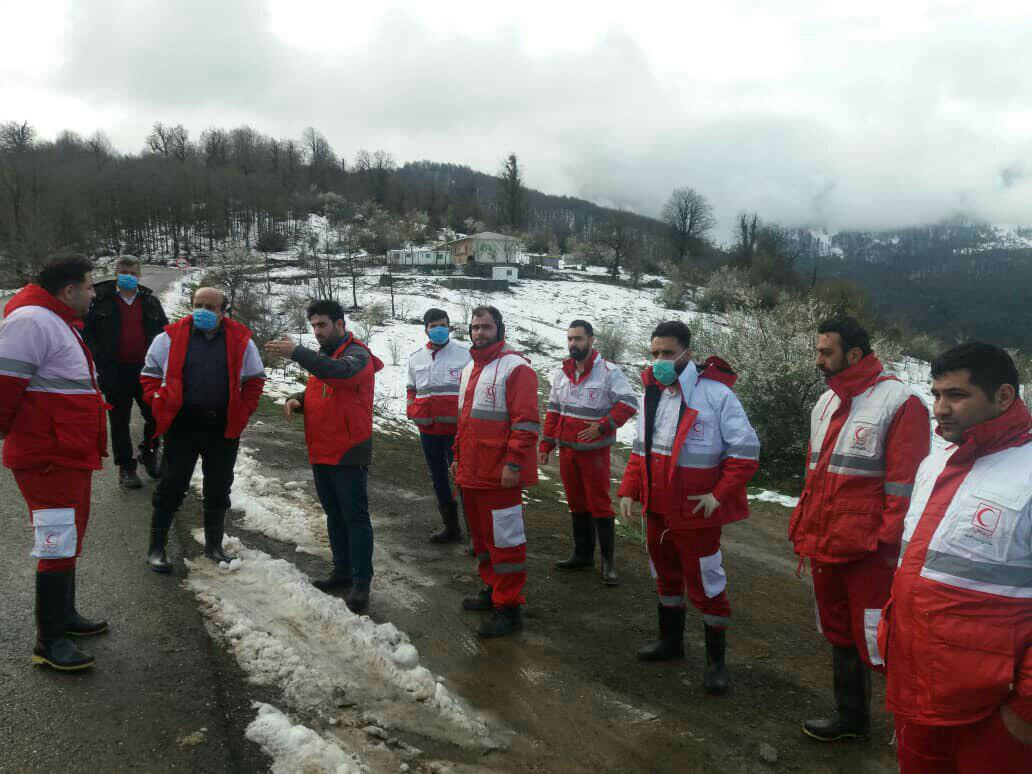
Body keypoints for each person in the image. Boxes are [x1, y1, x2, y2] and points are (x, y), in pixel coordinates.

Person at [880, 343, 1032, 772]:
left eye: (957, 396)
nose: (940, 409)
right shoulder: (937, 460)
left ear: (1003, 396)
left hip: (992, 715)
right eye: (936, 395)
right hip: (917, 696)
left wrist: (1024, 714)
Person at [788, 316, 930, 742]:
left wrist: (887, 546)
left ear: (853, 354)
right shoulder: (826, 403)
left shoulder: (900, 402)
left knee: (881, 639)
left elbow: (905, 483)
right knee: (838, 631)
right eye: (817, 350)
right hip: (825, 541)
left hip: (869, 550)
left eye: (825, 351)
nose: (818, 359)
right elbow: (815, 476)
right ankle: (851, 718)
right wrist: (804, 525)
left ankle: (912, 726)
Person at [617, 320, 759, 694]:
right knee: (664, 575)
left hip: (697, 513)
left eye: (667, 353)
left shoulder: (716, 397)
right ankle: (670, 643)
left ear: (687, 354)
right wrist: (630, 490)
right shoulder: (653, 393)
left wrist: (719, 494)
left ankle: (716, 664)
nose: (660, 360)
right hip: (657, 510)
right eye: (655, 353)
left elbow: (745, 453)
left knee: (707, 584)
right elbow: (639, 450)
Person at [0, 254, 109, 671]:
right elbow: (4, 388)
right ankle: (49, 642)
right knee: (57, 540)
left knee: (70, 535)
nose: (93, 292)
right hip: (47, 456)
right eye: (89, 284)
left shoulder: (55, 320)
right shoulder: (32, 321)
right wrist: (27, 438)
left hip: (66, 451)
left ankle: (65, 616)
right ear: (69, 291)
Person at [266, 300, 384, 614]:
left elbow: (341, 376)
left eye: (323, 325)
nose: (317, 332)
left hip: (348, 450)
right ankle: (342, 570)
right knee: (334, 515)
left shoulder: (358, 355)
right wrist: (297, 399)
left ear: (340, 324)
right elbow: (322, 390)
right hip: (322, 449)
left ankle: (361, 582)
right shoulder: (324, 357)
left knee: (355, 519)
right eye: (314, 326)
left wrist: (297, 353)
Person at [141, 287, 265, 573]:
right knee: (172, 485)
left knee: (219, 487)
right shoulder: (169, 337)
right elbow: (149, 375)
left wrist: (243, 411)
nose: (203, 311)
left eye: (210, 307)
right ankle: (156, 548)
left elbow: (255, 380)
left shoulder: (241, 340)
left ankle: (214, 546)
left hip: (222, 426)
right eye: (198, 305)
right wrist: (158, 400)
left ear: (224, 310)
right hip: (183, 425)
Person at [450, 305, 539, 638]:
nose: (479, 333)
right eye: (474, 327)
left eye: (486, 327)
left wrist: (514, 463)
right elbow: (465, 422)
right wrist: (457, 456)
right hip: (471, 472)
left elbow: (526, 423)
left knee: (506, 542)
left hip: (500, 474)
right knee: (484, 540)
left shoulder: (516, 368)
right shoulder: (469, 369)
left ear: (499, 329)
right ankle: (492, 590)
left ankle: (509, 607)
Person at [539, 319, 637, 584]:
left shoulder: (608, 372)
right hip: (568, 451)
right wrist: (546, 444)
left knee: (599, 504)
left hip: (594, 454)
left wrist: (603, 426)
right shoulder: (561, 374)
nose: (573, 344)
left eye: (579, 339)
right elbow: (554, 412)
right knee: (576, 503)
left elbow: (628, 403)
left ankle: (608, 564)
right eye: (570, 339)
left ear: (591, 340)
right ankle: (582, 555)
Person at [83, 256, 168, 489]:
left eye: (132, 272)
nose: (127, 275)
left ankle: (149, 452)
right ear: (116, 272)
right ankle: (126, 468)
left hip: (146, 372)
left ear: (138, 275)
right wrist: (97, 359)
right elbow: (85, 332)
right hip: (114, 370)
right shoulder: (99, 300)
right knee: (119, 420)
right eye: (123, 271)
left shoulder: (149, 301)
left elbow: (165, 334)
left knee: (155, 416)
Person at [405, 308, 471, 543]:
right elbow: (411, 388)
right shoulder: (416, 358)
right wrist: (412, 409)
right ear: (426, 329)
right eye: (434, 326)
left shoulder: (465, 356)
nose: (439, 330)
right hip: (428, 431)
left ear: (449, 327)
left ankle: (476, 534)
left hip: (456, 432)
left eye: (443, 325)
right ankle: (451, 528)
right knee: (438, 478)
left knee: (464, 479)